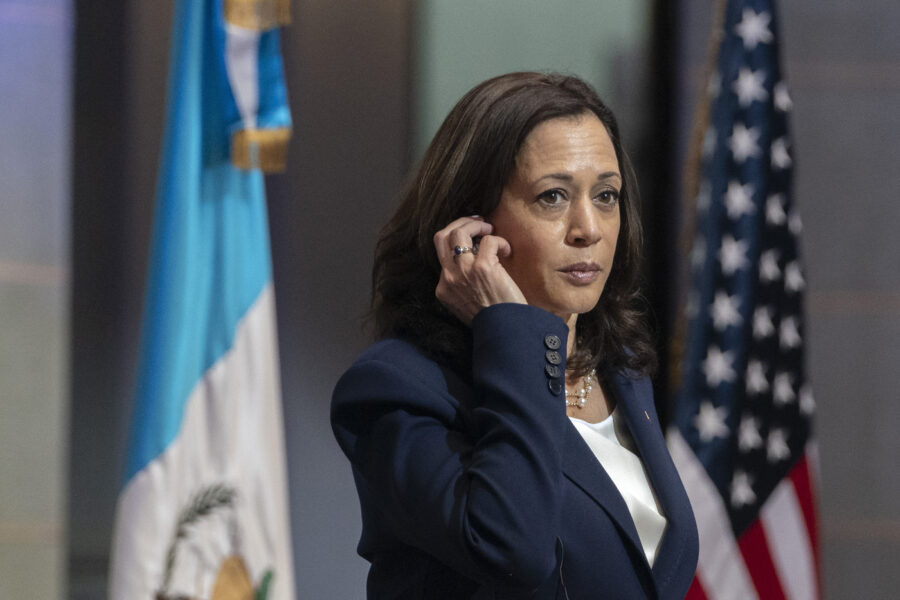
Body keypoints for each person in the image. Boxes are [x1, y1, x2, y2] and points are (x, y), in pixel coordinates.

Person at [331, 72, 698, 599]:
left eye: (606, 195)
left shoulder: (618, 368)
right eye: (553, 196)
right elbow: (513, 550)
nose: (588, 228)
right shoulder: (395, 390)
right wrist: (509, 333)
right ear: (471, 222)